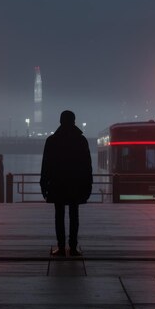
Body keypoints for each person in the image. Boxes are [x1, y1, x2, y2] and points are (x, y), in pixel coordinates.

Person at [40, 110, 92, 257]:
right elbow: (87, 166)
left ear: (60, 121)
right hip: (76, 184)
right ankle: (73, 247)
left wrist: (43, 184)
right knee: (74, 215)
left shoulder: (52, 141)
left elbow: (46, 165)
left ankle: (61, 247)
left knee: (59, 215)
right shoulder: (81, 141)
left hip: (57, 184)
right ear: (74, 121)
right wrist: (88, 185)